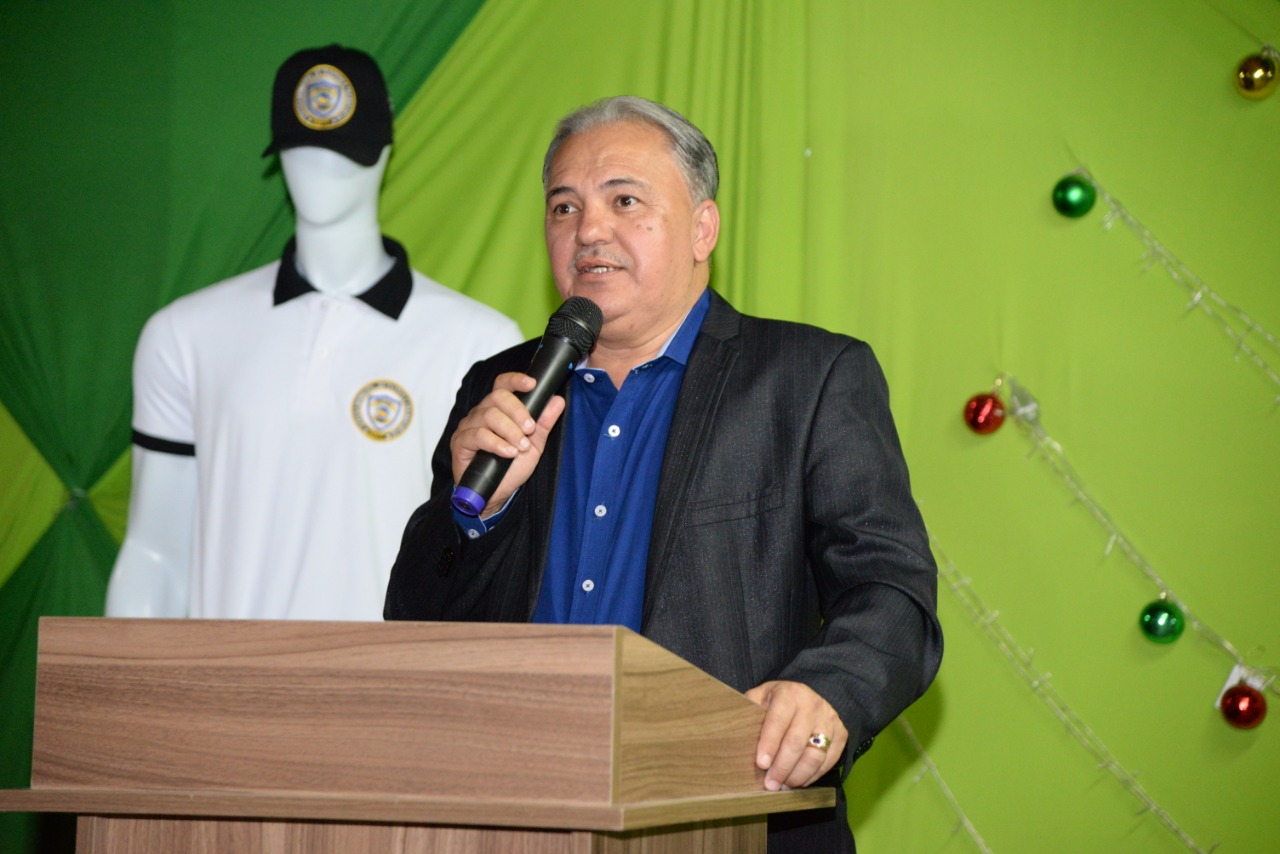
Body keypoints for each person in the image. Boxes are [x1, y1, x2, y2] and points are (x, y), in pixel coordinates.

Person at [383, 95, 941, 851]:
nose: (588, 231)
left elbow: (891, 588)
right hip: (519, 812)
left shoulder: (807, 379)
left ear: (703, 228)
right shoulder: (504, 387)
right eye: (564, 207)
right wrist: (477, 516)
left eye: (624, 201)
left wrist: (828, 691)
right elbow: (413, 623)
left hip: (729, 813)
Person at [105, 44, 524, 620]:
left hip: (395, 675)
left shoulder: (480, 344)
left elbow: (488, 560)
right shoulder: (185, 336)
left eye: (344, 155)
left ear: (383, 154)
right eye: (302, 152)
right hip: (227, 676)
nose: (320, 174)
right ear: (279, 156)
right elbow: (155, 555)